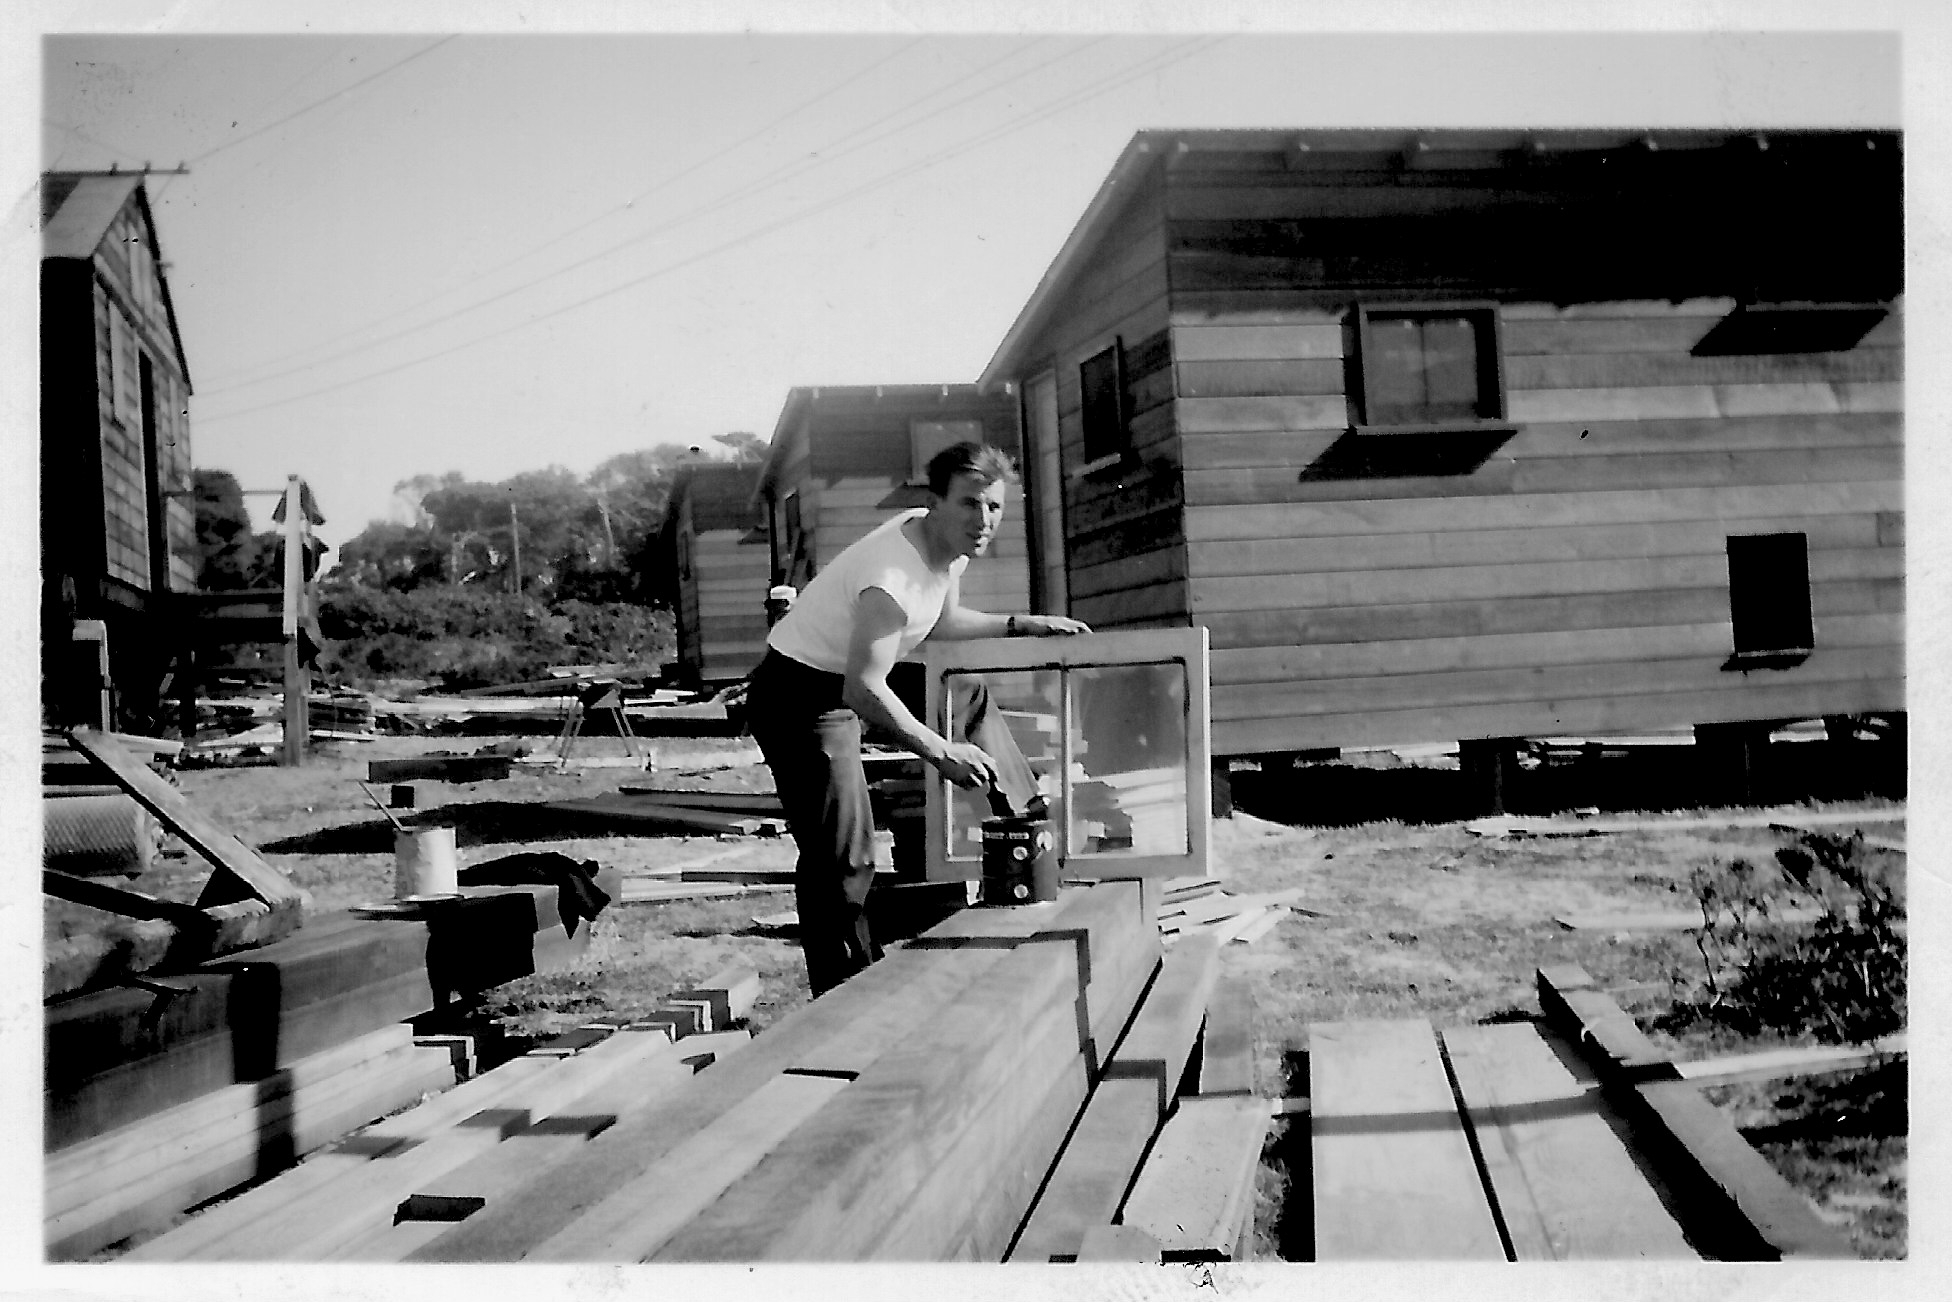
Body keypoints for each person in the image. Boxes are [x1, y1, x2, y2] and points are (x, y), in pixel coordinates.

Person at [745, 442, 1089, 996]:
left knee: (963, 691)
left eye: (994, 507)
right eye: (969, 504)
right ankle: (844, 993)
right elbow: (862, 690)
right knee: (845, 854)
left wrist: (1020, 623)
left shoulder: (946, 547)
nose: (983, 520)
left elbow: (941, 621)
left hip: (852, 673)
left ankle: (1026, 816)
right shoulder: (893, 578)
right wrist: (940, 751)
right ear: (935, 502)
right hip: (801, 696)